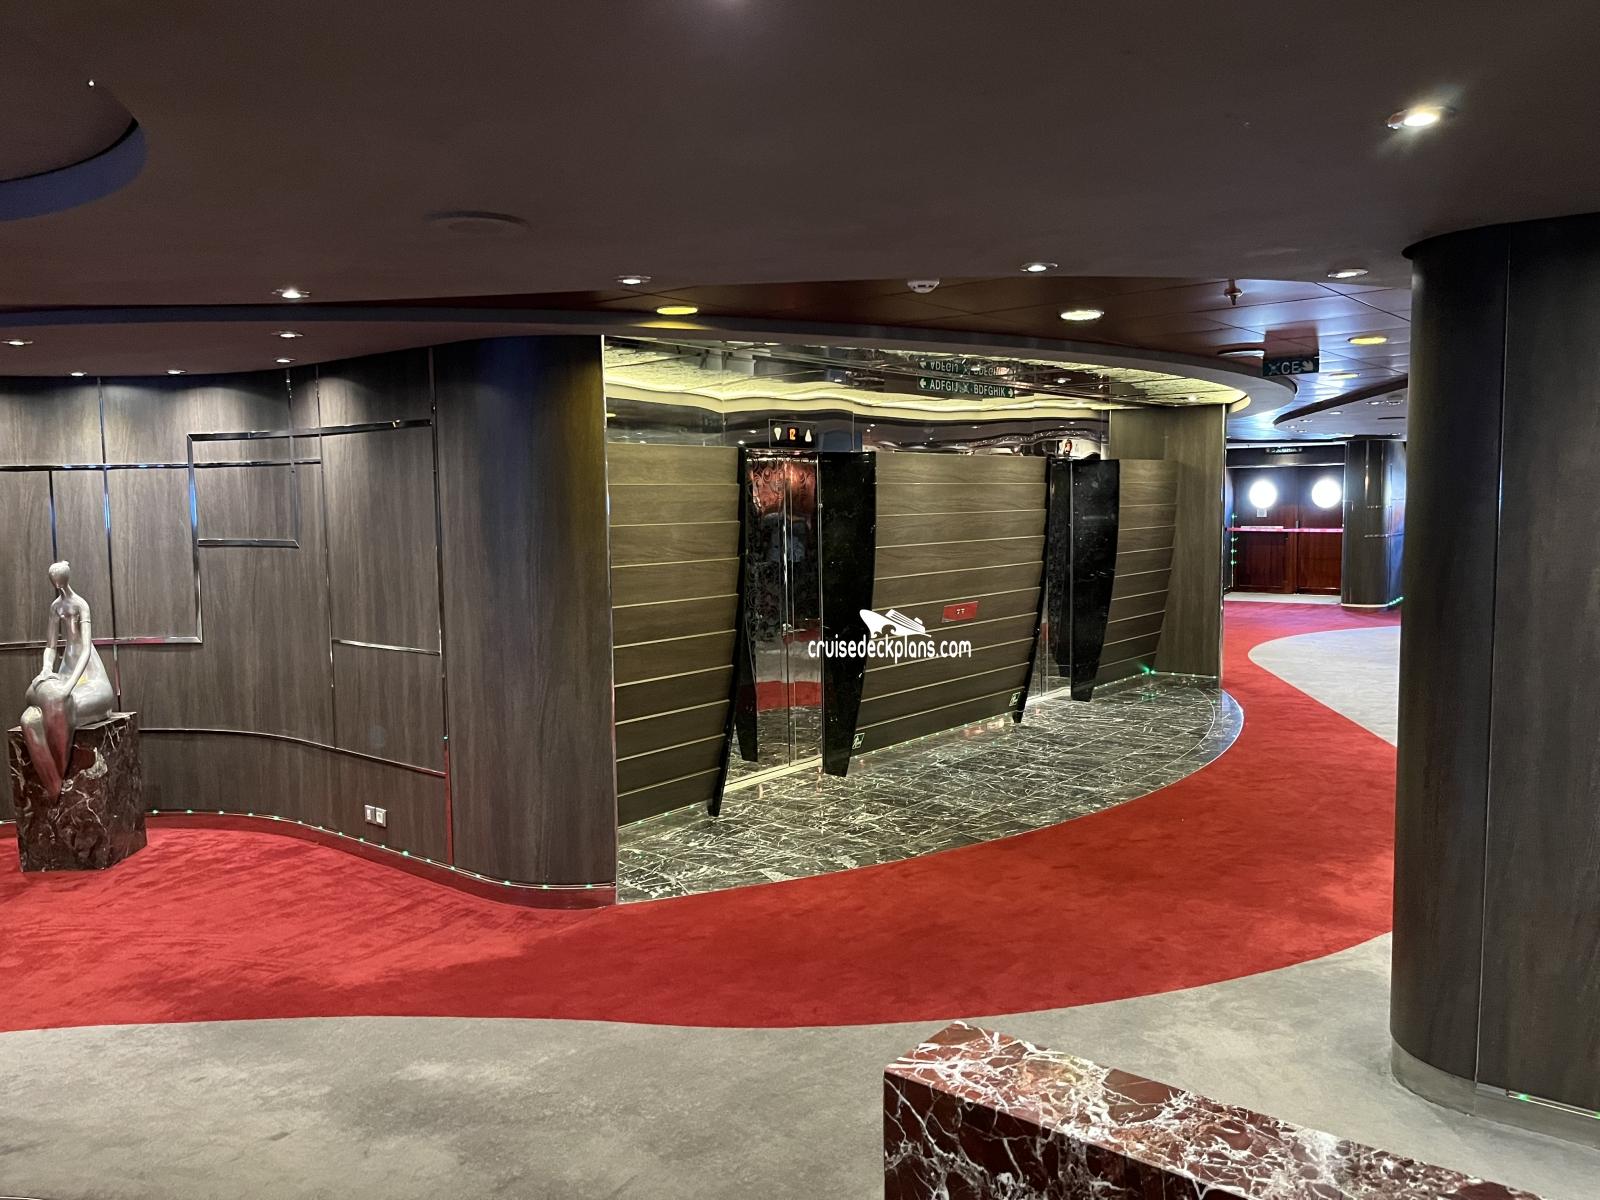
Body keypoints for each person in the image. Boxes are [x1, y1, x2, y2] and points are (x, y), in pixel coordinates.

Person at [20, 561, 115, 799]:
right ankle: (54, 780)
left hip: (87, 671)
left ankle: (55, 780)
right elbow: (51, 645)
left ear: (65, 578)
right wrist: (46, 669)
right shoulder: (56, 607)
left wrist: (70, 684)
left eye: (59, 580)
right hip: (66, 668)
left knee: (60, 700)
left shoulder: (81, 604)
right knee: (37, 706)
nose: (57, 585)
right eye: (54, 582)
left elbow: (85, 649)